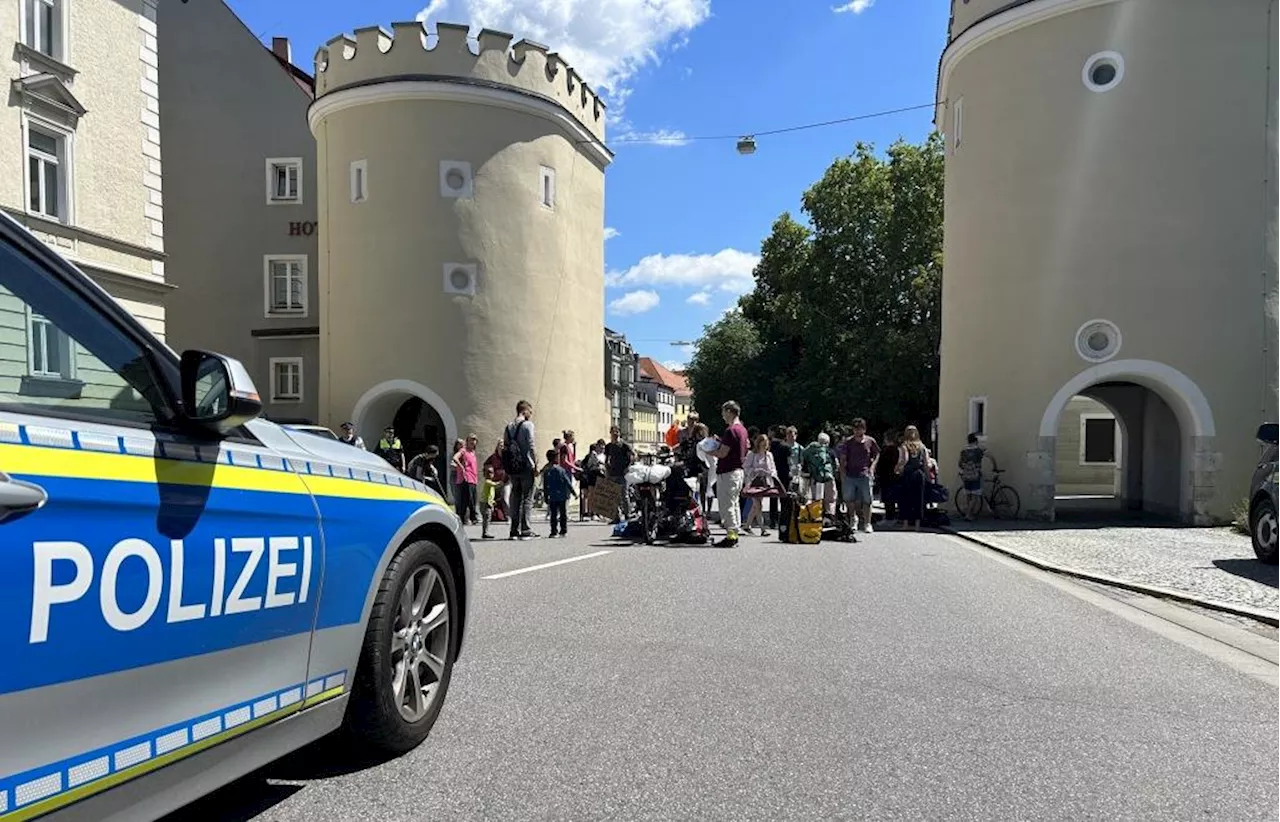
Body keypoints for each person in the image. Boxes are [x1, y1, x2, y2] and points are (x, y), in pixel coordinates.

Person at [712, 400, 750, 548]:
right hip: (739, 471)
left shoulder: (730, 430)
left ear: (729, 411)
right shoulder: (742, 429)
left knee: (726, 504)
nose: (723, 416)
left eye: (723, 413)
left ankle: (731, 535)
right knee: (734, 503)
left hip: (728, 471)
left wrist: (708, 450)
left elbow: (723, 453)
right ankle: (735, 532)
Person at [839, 418, 880, 533]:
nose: (857, 431)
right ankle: (853, 518)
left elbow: (876, 454)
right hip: (850, 474)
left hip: (865, 473)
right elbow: (843, 458)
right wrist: (842, 473)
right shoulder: (848, 442)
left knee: (867, 499)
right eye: (855, 429)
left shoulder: (870, 441)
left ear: (864, 429)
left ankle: (867, 523)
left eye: (860, 429)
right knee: (848, 498)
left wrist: (872, 467)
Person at [504, 400, 538, 540]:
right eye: (530, 412)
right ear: (524, 411)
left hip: (513, 467)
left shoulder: (508, 427)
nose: (531, 414)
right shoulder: (528, 425)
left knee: (515, 497)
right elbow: (531, 445)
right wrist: (536, 464)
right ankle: (526, 529)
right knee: (527, 498)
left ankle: (514, 530)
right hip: (526, 465)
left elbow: (506, 447)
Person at [895, 425, 932, 531]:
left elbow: (904, 459)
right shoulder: (922, 446)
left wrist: (897, 469)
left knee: (906, 499)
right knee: (919, 499)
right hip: (919, 474)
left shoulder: (904, 446)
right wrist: (929, 477)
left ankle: (906, 524)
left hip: (908, 474)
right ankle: (917, 525)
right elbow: (926, 463)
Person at [743, 433, 778, 537]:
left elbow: (773, 469)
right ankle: (763, 529)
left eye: (765, 444)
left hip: (764, 482)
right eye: (762, 443)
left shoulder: (769, 455)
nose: (764, 446)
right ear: (758, 444)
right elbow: (746, 467)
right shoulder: (752, 454)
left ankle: (747, 525)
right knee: (758, 505)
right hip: (753, 482)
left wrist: (769, 473)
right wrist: (755, 470)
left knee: (755, 506)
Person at [541, 448, 577, 537]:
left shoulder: (547, 471)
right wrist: (573, 492)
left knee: (553, 514)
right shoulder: (561, 470)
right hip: (562, 495)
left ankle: (554, 531)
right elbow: (567, 482)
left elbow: (545, 485)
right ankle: (563, 530)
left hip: (552, 495)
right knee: (563, 513)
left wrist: (545, 496)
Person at [604, 425, 636, 523]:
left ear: (619, 433)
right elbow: (606, 459)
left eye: (616, 432)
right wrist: (607, 469)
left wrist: (628, 467)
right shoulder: (609, 446)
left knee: (624, 495)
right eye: (613, 432)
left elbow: (633, 455)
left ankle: (627, 514)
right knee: (613, 496)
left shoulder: (624, 445)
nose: (615, 434)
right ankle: (616, 517)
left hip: (622, 473)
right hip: (612, 473)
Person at [803, 433, 835, 515]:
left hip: (815, 477)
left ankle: (816, 516)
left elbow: (805, 461)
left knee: (816, 499)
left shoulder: (811, 451)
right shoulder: (830, 451)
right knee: (830, 499)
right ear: (828, 442)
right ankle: (829, 516)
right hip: (828, 478)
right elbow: (835, 465)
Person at [958, 433, 987, 522]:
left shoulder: (963, 451)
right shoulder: (978, 450)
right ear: (976, 441)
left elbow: (959, 464)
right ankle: (968, 514)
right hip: (975, 475)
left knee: (968, 495)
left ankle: (970, 514)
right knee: (975, 496)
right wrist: (995, 465)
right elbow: (990, 455)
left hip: (966, 475)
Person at [875, 431, 901, 527]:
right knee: (891, 498)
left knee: (888, 498)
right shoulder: (897, 450)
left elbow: (882, 464)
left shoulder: (887, 450)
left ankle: (890, 517)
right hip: (893, 476)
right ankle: (891, 516)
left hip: (886, 476)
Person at [453, 434, 479, 525]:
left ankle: (470, 518)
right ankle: (468, 518)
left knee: (473, 499)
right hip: (466, 478)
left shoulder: (473, 452)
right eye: (471, 440)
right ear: (467, 441)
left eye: (474, 440)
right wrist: (461, 467)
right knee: (467, 500)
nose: (473, 442)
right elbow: (455, 458)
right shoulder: (463, 451)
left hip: (473, 478)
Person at [478, 463, 499, 540]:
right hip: (485, 503)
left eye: (491, 472)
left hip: (488, 502)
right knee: (486, 518)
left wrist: (492, 501)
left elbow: (490, 494)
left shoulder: (489, 482)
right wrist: (502, 482)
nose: (490, 474)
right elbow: (496, 485)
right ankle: (485, 533)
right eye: (488, 472)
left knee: (487, 518)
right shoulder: (488, 482)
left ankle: (485, 532)